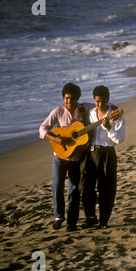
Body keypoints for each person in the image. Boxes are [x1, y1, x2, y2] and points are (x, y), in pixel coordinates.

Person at [39, 83, 88, 231]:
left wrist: (114, 110)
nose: (69, 101)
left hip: (76, 157)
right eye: (66, 98)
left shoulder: (84, 109)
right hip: (59, 156)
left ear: (77, 98)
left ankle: (72, 222)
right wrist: (56, 139)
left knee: (74, 189)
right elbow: (43, 128)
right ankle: (59, 216)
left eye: (72, 98)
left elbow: (100, 106)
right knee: (57, 186)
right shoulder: (58, 111)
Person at [81, 86, 125, 229]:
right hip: (91, 152)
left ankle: (104, 221)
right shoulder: (91, 113)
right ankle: (91, 218)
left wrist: (109, 128)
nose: (100, 104)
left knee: (106, 188)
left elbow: (119, 139)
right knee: (86, 186)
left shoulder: (116, 114)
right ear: (94, 100)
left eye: (103, 101)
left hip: (107, 153)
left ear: (108, 99)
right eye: (97, 101)